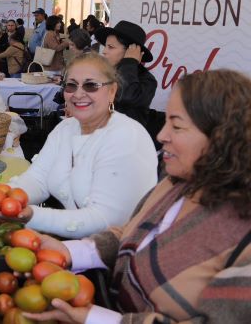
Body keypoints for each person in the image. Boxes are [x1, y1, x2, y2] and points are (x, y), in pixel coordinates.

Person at [27, 69, 251, 324]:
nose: (161, 135)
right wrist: (71, 252)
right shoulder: (174, 185)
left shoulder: (243, 241)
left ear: (222, 139)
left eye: (176, 126)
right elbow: (132, 234)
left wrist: (100, 320)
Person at [0, 53, 157, 238]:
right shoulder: (66, 128)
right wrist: (3, 196)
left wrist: (30, 215)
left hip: (112, 256)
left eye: (91, 85)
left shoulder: (127, 137)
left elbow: (104, 220)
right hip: (67, 247)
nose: (78, 93)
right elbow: (38, 179)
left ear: (112, 91)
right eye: (71, 85)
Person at [96, 20, 157, 129]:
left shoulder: (147, 80)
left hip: (127, 141)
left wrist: (129, 62)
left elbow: (127, 96)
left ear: (130, 51)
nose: (104, 51)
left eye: (111, 47)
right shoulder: (104, 74)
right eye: (105, 46)